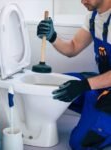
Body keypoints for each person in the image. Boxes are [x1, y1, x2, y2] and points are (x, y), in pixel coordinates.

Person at [37, 0, 111, 149]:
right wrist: (53, 36)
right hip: (104, 84)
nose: (82, 1)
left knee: (78, 144)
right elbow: (73, 47)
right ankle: (96, 115)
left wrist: (84, 85)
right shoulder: (93, 17)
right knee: (57, 89)